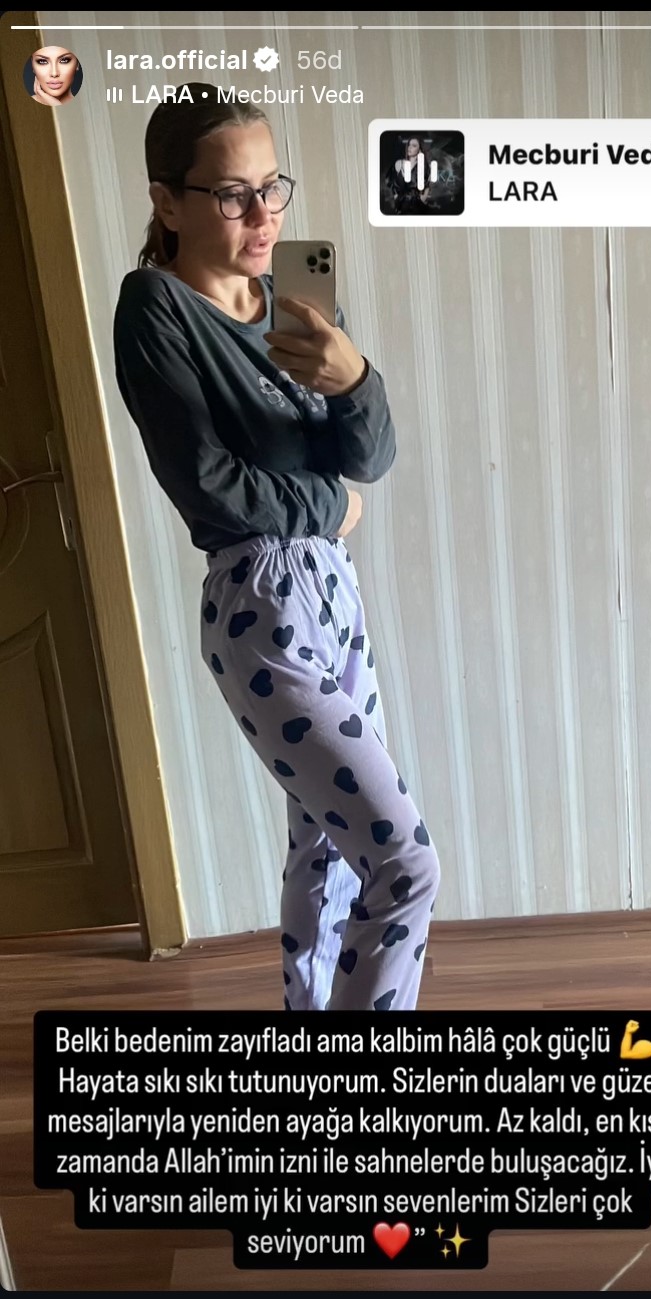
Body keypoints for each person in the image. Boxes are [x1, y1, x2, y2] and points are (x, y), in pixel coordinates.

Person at [113, 84, 441, 1012]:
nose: (263, 216)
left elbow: (368, 457)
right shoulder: (156, 308)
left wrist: (356, 378)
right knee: (404, 861)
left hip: (330, 588)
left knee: (328, 842)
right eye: (231, 194)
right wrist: (329, 507)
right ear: (167, 201)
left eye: (272, 188)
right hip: (259, 602)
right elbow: (209, 485)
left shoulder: (292, 297)